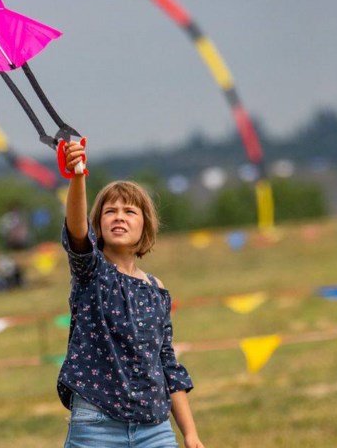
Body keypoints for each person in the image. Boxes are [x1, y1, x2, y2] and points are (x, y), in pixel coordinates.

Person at [58, 139, 205, 448]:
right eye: (110, 211)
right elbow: (76, 231)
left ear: (145, 227)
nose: (119, 216)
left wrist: (190, 434)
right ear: (98, 225)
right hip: (96, 425)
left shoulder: (156, 288)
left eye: (129, 211)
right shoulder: (92, 272)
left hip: (155, 428)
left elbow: (168, 365)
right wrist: (79, 176)